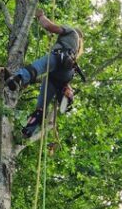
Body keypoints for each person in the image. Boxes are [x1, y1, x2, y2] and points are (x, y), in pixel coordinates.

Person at [5, 10, 84, 138]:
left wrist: (41, 16)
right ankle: (29, 130)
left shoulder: (71, 31)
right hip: (64, 74)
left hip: (60, 58)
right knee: (41, 107)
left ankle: (18, 79)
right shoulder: (75, 48)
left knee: (38, 66)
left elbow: (49, 26)